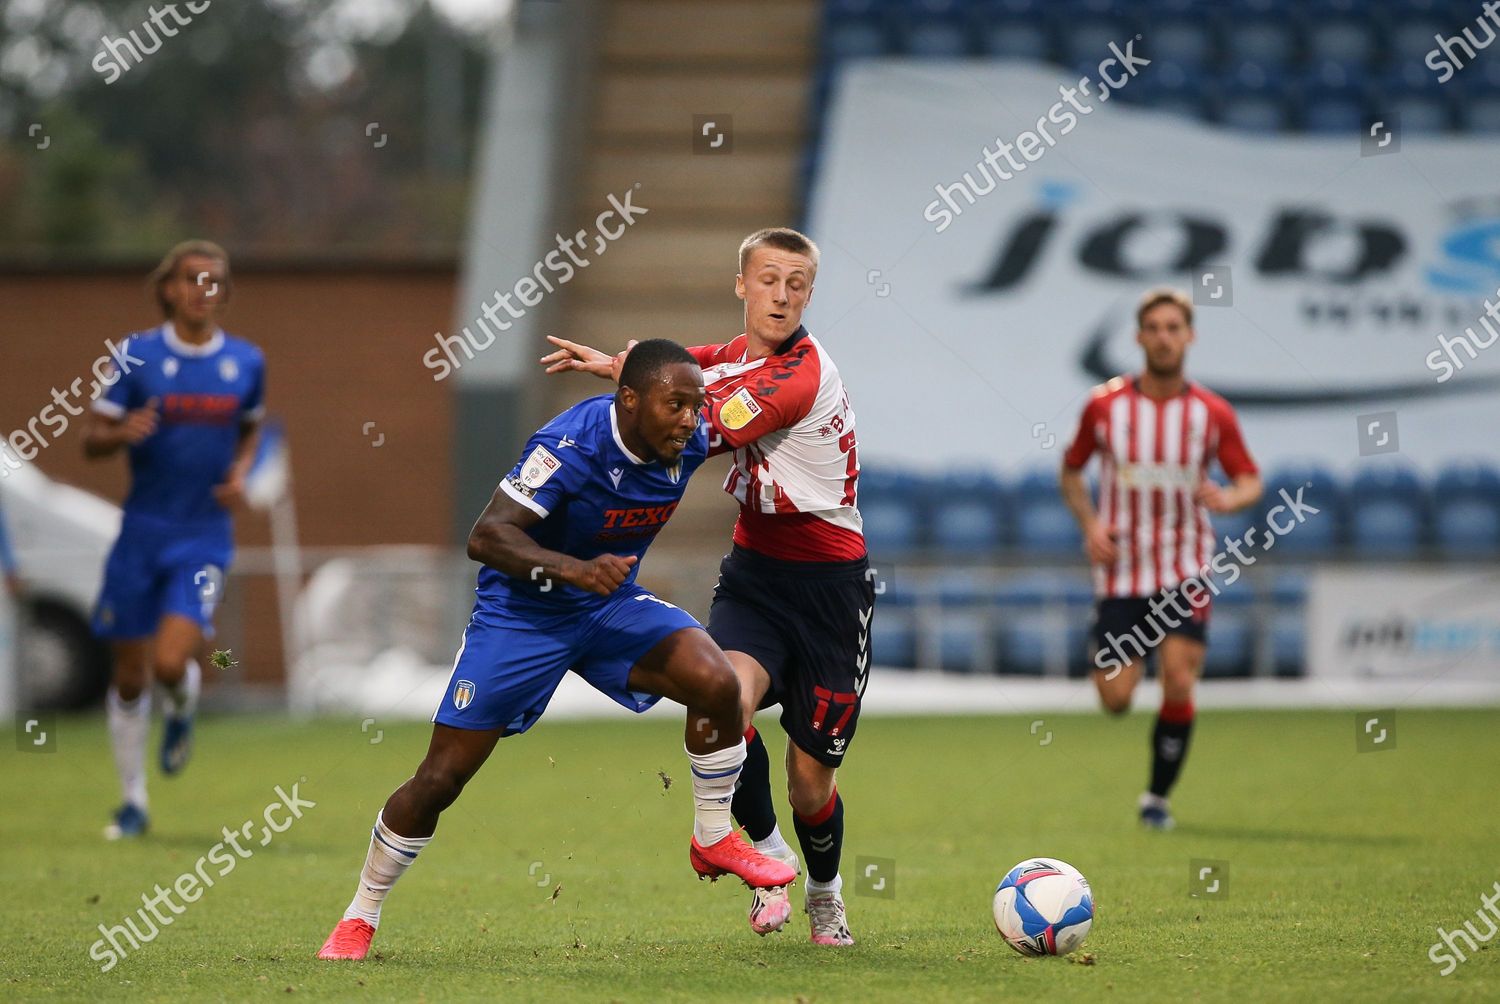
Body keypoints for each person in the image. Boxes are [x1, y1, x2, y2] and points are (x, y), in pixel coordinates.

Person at [316, 339, 796, 962]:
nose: (689, 418)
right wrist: (572, 570)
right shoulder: (568, 445)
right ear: (629, 402)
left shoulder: (692, 435)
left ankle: (712, 836)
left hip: (608, 605)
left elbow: (766, 397)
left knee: (718, 682)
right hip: (523, 617)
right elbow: (486, 536)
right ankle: (360, 914)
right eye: (675, 404)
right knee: (441, 778)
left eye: (694, 404)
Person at [541, 227, 870, 946]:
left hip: (831, 591)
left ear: (809, 295)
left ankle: (825, 893)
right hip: (756, 576)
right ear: (742, 285)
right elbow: (694, 363)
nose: (781, 295)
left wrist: (632, 401)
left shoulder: (800, 376)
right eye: (769, 279)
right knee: (724, 694)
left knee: (810, 781)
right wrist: (623, 367)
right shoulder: (737, 354)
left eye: (797, 284)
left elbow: (700, 423)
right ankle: (766, 858)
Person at [1060, 287, 1262, 830]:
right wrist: (1091, 524)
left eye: (1175, 327)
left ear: (1189, 336)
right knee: (1116, 698)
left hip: (1185, 566)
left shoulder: (1210, 413)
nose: (1165, 337)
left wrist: (1229, 497)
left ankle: (1156, 799)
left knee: (1178, 679)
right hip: (1123, 570)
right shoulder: (1104, 406)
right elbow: (1072, 470)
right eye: (1155, 328)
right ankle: (1119, 647)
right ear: (1139, 336)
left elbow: (1250, 479)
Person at [83, 240, 265, 840]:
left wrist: (242, 474)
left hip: (203, 535)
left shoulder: (245, 361)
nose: (203, 290)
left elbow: (251, 432)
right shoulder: (134, 355)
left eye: (215, 281)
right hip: (140, 532)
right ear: (169, 288)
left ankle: (183, 702)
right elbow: (91, 439)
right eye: (192, 279)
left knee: (169, 661)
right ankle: (132, 801)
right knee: (131, 676)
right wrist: (121, 433)